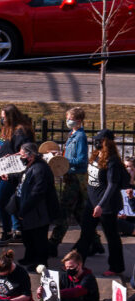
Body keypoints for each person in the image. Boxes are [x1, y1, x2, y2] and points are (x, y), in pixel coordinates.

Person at [75, 129, 127, 276]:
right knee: (85, 235)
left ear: (107, 142)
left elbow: (112, 185)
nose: (96, 142)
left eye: (100, 140)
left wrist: (101, 205)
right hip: (92, 203)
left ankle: (116, 267)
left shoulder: (112, 161)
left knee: (112, 237)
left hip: (107, 206)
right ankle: (77, 266)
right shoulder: (97, 155)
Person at [0, 105, 35, 246]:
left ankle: (8, 232)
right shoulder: (13, 131)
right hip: (6, 170)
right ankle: (14, 229)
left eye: (3, 117)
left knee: (0, 199)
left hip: (13, 172)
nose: (2, 120)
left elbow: (26, 151)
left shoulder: (20, 132)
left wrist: (13, 157)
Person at [49, 107, 91, 255]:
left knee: (64, 211)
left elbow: (81, 160)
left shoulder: (80, 137)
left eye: (70, 118)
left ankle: (53, 243)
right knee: (80, 212)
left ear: (78, 121)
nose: (67, 121)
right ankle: (94, 241)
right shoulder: (72, 134)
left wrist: (64, 158)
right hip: (71, 177)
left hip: (75, 179)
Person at [14, 143, 59, 270]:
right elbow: (22, 178)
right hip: (29, 208)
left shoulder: (40, 169)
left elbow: (37, 192)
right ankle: (29, 257)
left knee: (38, 238)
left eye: (22, 155)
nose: (20, 158)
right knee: (28, 236)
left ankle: (40, 262)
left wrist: (25, 208)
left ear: (31, 156)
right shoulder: (31, 166)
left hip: (38, 210)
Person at [32, 250, 100, 301]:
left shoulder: (88, 278)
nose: (68, 270)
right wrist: (41, 292)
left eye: (71, 267)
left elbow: (78, 291)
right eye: (66, 267)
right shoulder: (65, 276)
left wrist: (56, 292)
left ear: (80, 264)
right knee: (49, 295)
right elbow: (52, 292)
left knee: (71, 296)